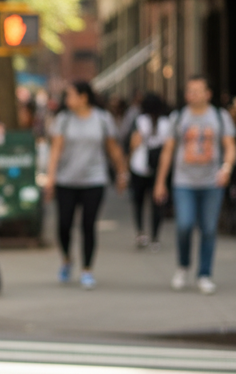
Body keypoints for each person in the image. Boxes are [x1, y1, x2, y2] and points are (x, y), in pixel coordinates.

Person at [154, 74, 236, 294]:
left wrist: (226, 168)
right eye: (189, 91)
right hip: (184, 182)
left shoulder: (220, 116)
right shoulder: (179, 117)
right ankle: (183, 266)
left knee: (209, 228)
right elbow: (168, 151)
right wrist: (160, 182)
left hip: (212, 182)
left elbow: (230, 145)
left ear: (208, 94)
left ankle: (204, 274)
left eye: (197, 91)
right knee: (184, 225)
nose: (192, 95)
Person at [45, 80, 127, 289]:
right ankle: (66, 259)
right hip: (66, 180)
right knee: (64, 225)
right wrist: (51, 177)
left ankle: (87, 269)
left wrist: (122, 173)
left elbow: (112, 148)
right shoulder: (63, 120)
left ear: (84, 97)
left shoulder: (102, 119)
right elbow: (56, 150)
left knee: (88, 225)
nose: (67, 99)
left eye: (71, 95)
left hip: (94, 180)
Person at [128, 91, 171, 249]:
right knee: (157, 203)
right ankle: (155, 237)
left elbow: (133, 143)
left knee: (138, 202)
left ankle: (141, 232)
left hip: (138, 166)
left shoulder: (139, 121)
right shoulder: (166, 123)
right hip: (158, 167)